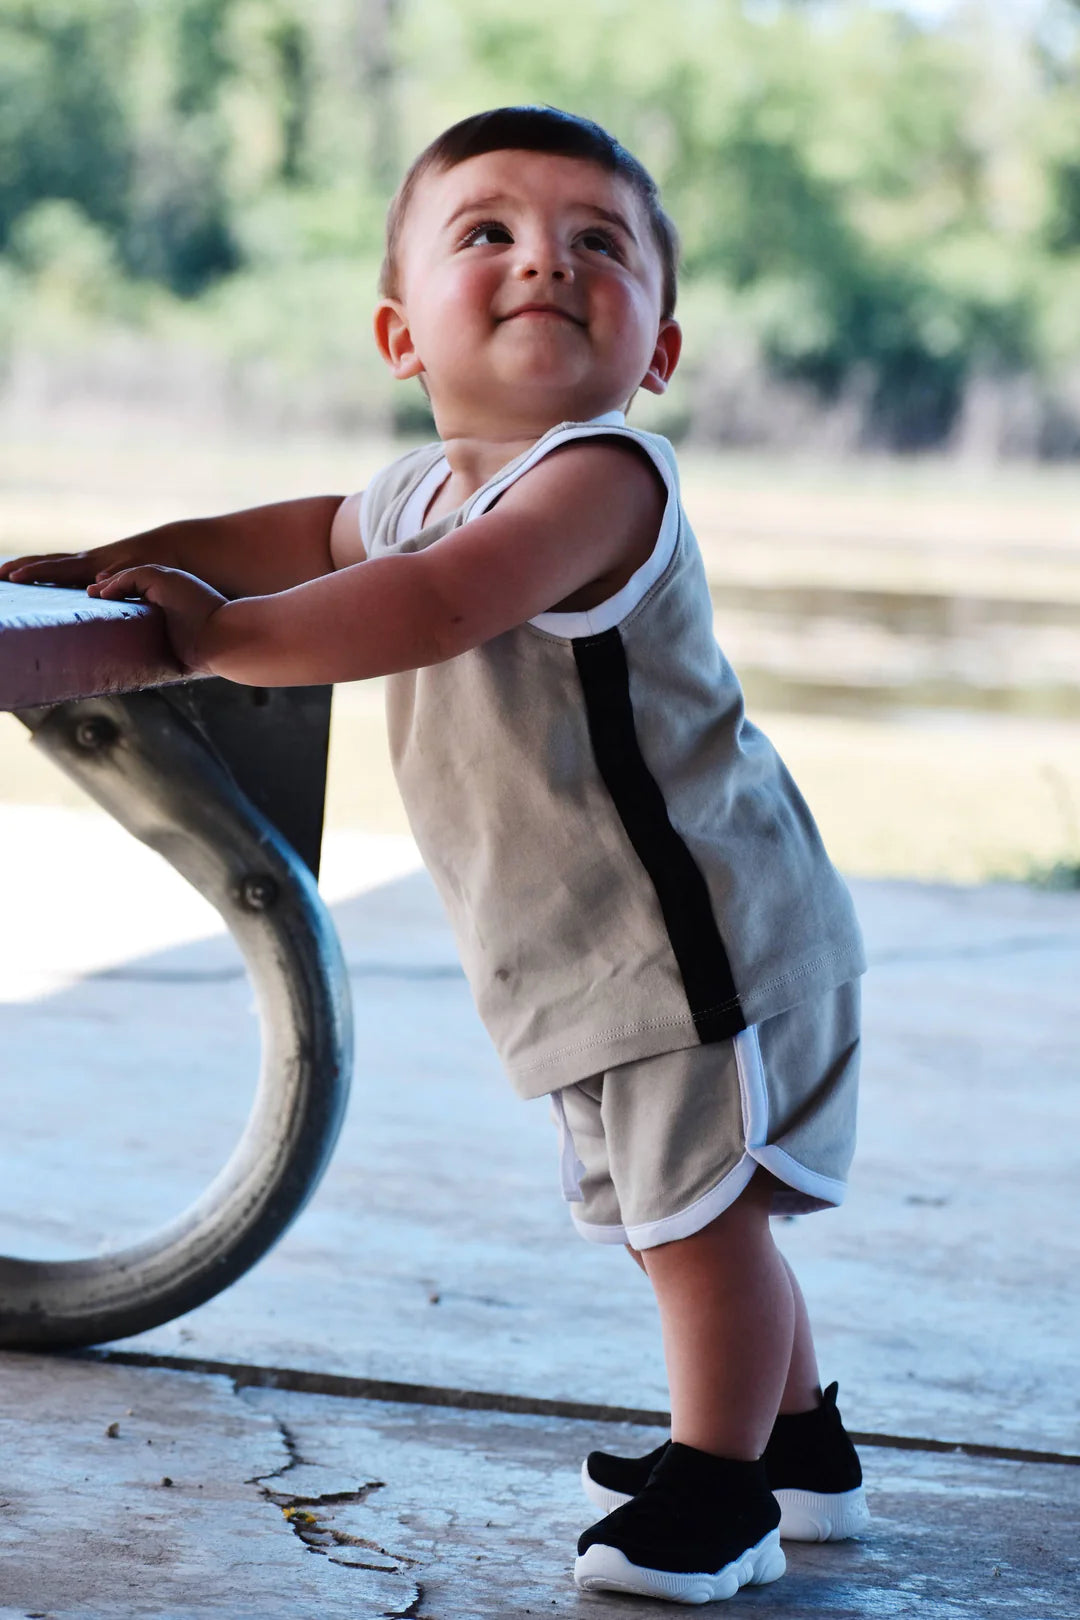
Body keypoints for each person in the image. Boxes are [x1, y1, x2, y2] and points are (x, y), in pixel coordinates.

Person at [0, 106, 869, 1604]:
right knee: (679, 1209)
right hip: (596, 945)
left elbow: (431, 606)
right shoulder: (416, 488)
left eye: (600, 240)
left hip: (702, 936)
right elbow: (299, 530)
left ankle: (723, 1495)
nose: (548, 259)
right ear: (402, 331)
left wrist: (220, 635)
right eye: (491, 232)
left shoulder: (603, 479)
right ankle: (797, 1444)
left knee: (697, 1221)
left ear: (659, 348)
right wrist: (121, 559)